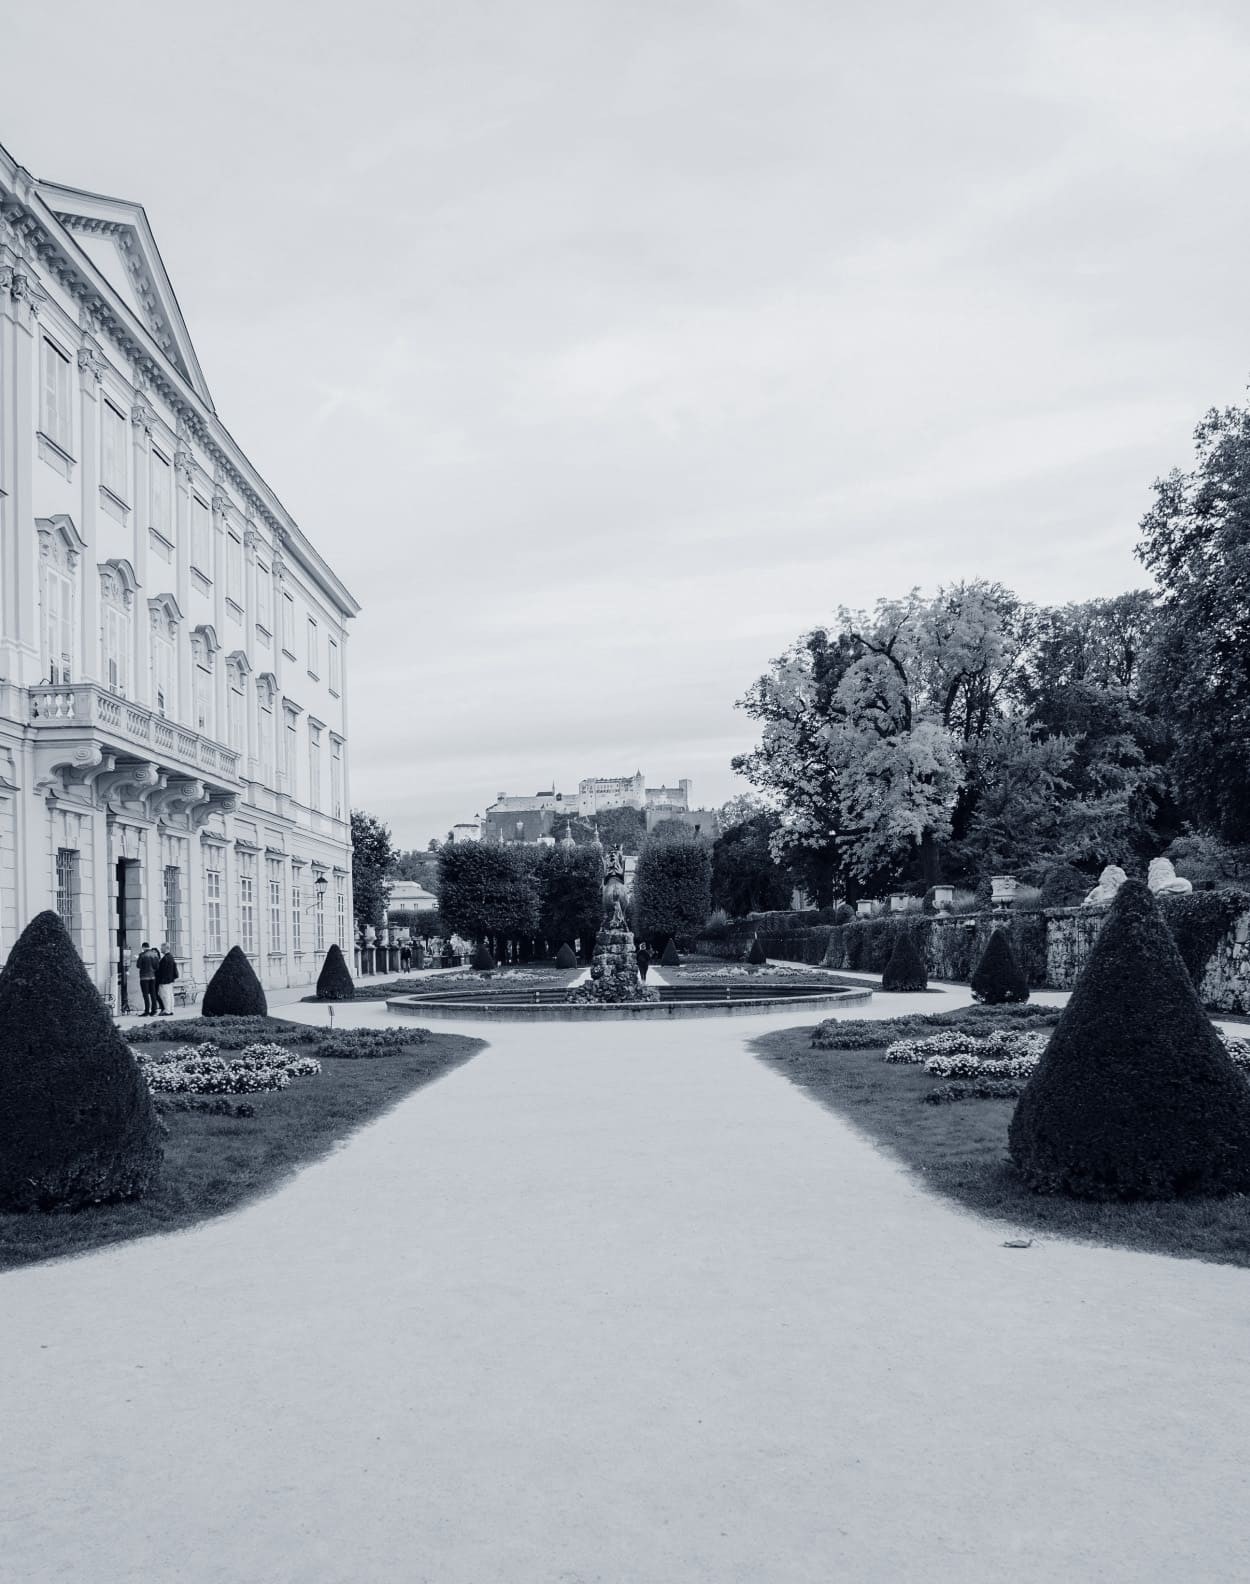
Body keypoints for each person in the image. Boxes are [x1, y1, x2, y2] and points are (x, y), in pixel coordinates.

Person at [136, 942, 160, 1016]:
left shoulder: (142, 955)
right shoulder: (154, 954)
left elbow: (138, 965)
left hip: (144, 977)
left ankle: (147, 1011)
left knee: (145, 994)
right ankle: (154, 1010)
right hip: (152, 977)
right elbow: (157, 967)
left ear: (143, 947)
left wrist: (138, 959)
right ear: (149, 946)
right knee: (153, 994)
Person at [155, 943, 179, 1016]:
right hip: (170, 979)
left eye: (162, 948)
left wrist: (158, 977)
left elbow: (162, 970)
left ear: (165, 948)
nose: (160, 949)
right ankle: (171, 1010)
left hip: (164, 980)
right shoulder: (171, 957)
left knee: (165, 996)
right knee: (170, 995)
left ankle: (167, 1010)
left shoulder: (165, 958)